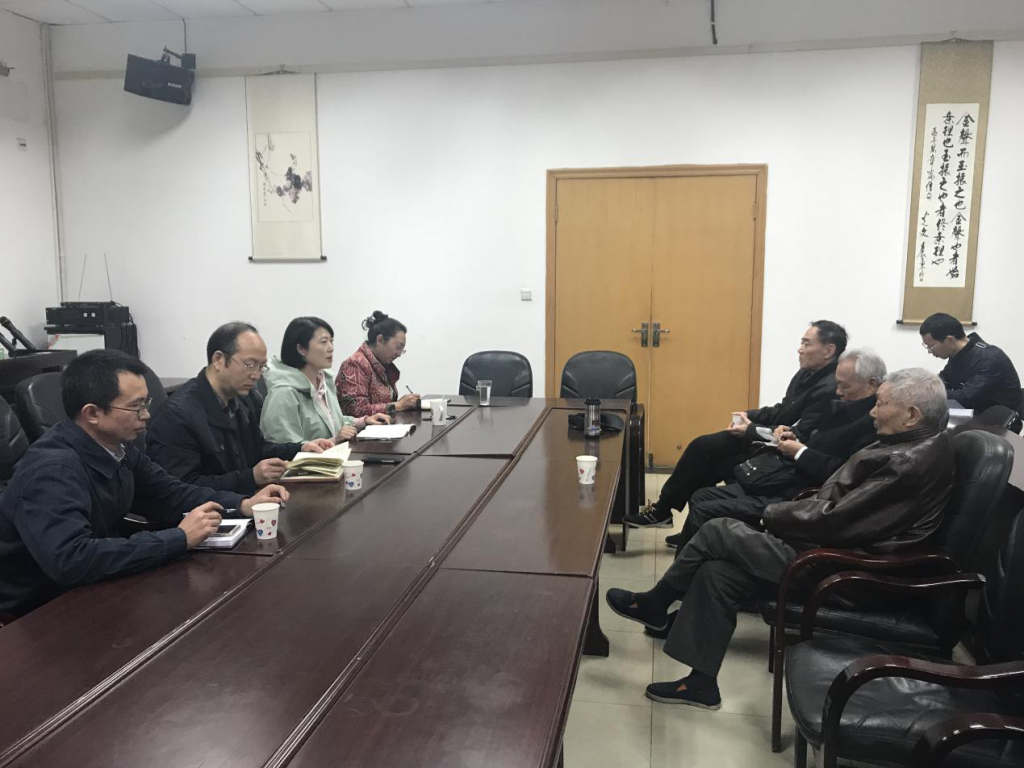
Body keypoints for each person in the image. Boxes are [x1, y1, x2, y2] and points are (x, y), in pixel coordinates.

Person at [607, 368, 954, 709]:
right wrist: (791, 513)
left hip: (846, 573)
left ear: (912, 414)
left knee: (717, 530)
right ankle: (701, 684)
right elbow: (844, 510)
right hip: (830, 552)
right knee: (718, 574)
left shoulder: (906, 463)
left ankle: (656, 603)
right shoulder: (909, 443)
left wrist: (769, 516)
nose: (873, 412)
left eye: (881, 404)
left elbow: (838, 519)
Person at [0, 350, 288, 618]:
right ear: (92, 414)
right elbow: (72, 560)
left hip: (93, 587)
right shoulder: (52, 471)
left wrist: (242, 504)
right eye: (136, 407)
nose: (147, 415)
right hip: (35, 613)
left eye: (146, 403)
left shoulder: (117, 448)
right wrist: (178, 538)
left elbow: (170, 493)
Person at [624, 321, 847, 529]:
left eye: (806, 344)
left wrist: (750, 430)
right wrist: (750, 415)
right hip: (770, 440)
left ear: (828, 351)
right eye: (801, 343)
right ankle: (674, 516)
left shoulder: (830, 388)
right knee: (703, 448)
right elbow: (783, 411)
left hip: (781, 455)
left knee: (711, 460)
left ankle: (671, 515)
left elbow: (798, 435)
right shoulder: (806, 373)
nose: (800, 349)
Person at [664, 347, 885, 550]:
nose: (838, 391)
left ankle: (688, 566)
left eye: (845, 386)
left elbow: (844, 471)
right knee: (702, 484)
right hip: (784, 476)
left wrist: (799, 451)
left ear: (872, 384)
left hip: (799, 495)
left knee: (706, 496)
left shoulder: (870, 424)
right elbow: (798, 423)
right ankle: (695, 554)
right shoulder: (836, 399)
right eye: (838, 384)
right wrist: (793, 436)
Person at [147, 322, 334, 495]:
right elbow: (180, 488)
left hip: (244, 500)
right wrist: (250, 477)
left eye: (261, 367)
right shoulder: (177, 415)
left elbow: (258, 448)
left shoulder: (243, 397)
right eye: (249, 365)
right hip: (211, 513)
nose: (256, 375)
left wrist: (300, 448)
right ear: (218, 360)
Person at [261, 316, 390, 443]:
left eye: (331, 341)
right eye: (323, 342)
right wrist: (334, 440)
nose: (331, 347)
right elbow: (283, 447)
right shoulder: (283, 393)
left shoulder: (323, 380)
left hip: (333, 454)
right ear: (301, 349)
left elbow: (331, 422)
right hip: (315, 457)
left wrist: (363, 421)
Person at [920, 312, 1022, 413]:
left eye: (931, 346)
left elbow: (967, 397)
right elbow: (943, 381)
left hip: (998, 419)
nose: (930, 351)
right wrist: (923, 388)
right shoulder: (958, 353)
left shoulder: (989, 358)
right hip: (975, 414)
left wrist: (931, 394)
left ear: (949, 340)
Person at [337, 311, 420, 418]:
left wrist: (403, 403)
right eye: (398, 347)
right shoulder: (356, 363)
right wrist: (398, 405)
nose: (399, 354)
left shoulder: (381, 364)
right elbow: (357, 410)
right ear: (380, 340)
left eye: (402, 350)